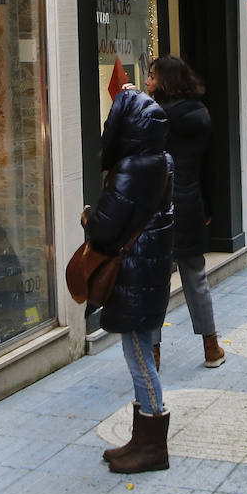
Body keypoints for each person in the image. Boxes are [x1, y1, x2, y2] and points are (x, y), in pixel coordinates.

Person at [82, 88, 175, 474]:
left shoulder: (132, 168)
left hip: (135, 273)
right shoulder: (161, 160)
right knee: (137, 353)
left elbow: (105, 229)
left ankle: (153, 446)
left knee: (138, 356)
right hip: (147, 271)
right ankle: (141, 440)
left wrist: (88, 217)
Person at [145, 56, 225, 370]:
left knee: (155, 281)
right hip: (190, 204)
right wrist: (208, 208)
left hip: (157, 205)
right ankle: (211, 347)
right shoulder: (200, 113)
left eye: (151, 76)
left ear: (164, 81)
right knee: (196, 278)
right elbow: (210, 167)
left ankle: (153, 354)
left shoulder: (154, 116)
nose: (148, 81)